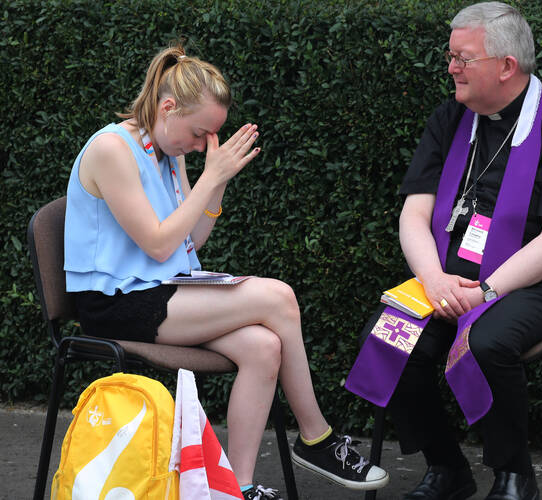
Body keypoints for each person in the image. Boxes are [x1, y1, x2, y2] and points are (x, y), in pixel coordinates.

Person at [63, 43, 388, 500]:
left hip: (162, 291)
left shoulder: (167, 148)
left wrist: (215, 187)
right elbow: (158, 245)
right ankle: (316, 438)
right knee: (278, 297)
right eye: (199, 134)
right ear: (168, 106)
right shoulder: (111, 150)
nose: (200, 147)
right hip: (116, 305)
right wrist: (210, 178)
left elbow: (190, 240)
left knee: (263, 345)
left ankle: (236, 487)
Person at [348, 3, 542, 500]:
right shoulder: (450, 120)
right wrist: (434, 280)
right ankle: (446, 467)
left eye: (463, 58)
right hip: (448, 280)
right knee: (388, 335)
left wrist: (487, 291)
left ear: (506, 66)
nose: (451, 68)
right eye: (451, 56)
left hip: (535, 286)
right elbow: (414, 215)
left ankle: (514, 475)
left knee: (486, 341)